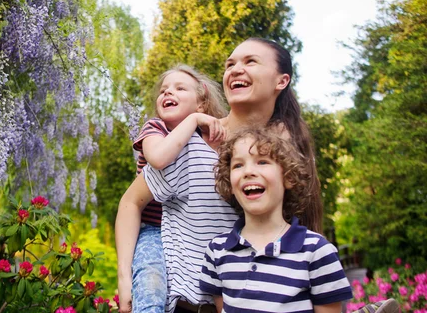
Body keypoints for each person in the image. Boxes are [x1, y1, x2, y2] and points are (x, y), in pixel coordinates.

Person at [116, 37, 323, 313]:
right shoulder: (189, 145)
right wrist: (125, 279)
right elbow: (131, 202)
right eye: (230, 64)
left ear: (281, 81)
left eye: (250, 61)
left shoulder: (287, 153)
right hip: (188, 304)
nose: (235, 69)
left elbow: (297, 242)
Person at [200, 127, 353, 313]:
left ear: (287, 177)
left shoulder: (317, 251)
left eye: (262, 161)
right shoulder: (217, 250)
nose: (248, 171)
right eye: (238, 165)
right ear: (230, 183)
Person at [128, 64, 229, 313]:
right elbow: (160, 157)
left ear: (202, 104)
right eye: (163, 90)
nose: (167, 93)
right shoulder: (155, 128)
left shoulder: (202, 142)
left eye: (179, 88)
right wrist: (194, 119)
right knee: (150, 285)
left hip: (186, 233)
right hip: (154, 229)